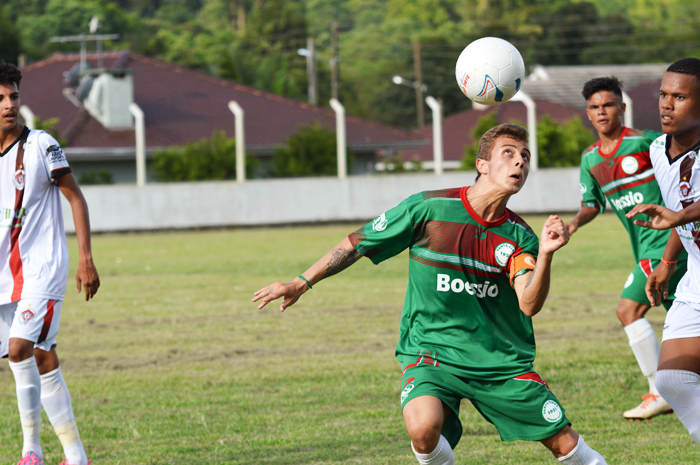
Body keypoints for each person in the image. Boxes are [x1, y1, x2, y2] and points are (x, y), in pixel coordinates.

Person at [254, 124, 607, 465]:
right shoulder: (428, 209)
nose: (520, 162)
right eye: (509, 153)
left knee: (564, 443)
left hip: (497, 362)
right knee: (423, 428)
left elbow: (528, 303)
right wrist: (301, 282)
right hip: (431, 351)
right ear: (481, 165)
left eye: (526, 156)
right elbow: (357, 243)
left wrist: (545, 253)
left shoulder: (519, 236)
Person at [565, 76, 687, 420]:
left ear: (621, 107)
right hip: (646, 249)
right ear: (587, 114)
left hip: (664, 243)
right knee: (683, 316)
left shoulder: (646, 142)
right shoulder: (590, 160)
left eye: (607, 105)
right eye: (594, 107)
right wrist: (574, 223)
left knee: (628, 311)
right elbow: (591, 203)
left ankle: (658, 391)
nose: (601, 112)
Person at [0, 60, 99, 465]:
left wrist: (86, 259)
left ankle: (31, 452)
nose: (9, 104)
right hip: (7, 277)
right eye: (1, 98)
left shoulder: (40, 145)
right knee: (40, 355)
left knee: (19, 348)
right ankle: (76, 456)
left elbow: (75, 197)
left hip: (44, 269)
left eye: (13, 96)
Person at [626, 57, 700, 445]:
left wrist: (679, 215)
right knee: (672, 380)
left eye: (680, 97)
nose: (667, 105)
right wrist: (668, 263)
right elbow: (677, 214)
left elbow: (681, 212)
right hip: (696, 282)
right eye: (664, 95)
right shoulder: (658, 149)